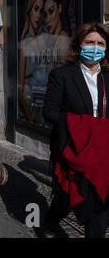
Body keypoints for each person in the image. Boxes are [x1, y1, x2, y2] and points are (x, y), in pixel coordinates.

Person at [43, 22, 109, 238]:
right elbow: (49, 112)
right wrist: (82, 125)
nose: (95, 47)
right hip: (73, 149)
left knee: (99, 205)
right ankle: (50, 222)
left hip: (103, 154)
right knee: (65, 197)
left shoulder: (106, 77)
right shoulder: (62, 75)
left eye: (100, 43)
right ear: (79, 45)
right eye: (90, 42)